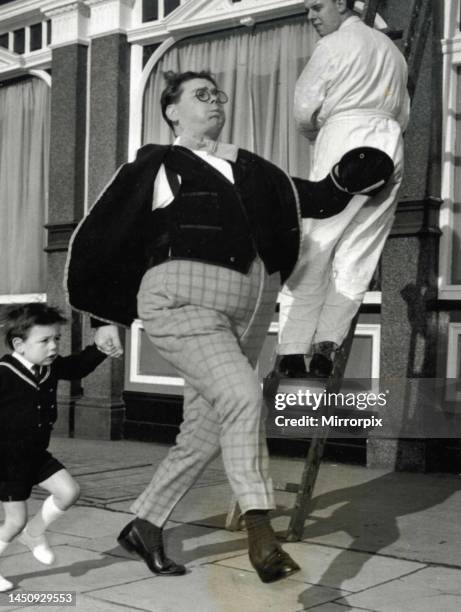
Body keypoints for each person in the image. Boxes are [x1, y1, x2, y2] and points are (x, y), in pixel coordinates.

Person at [65, 70, 394, 583]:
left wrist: (348, 181)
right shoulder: (159, 163)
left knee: (206, 428)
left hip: (250, 309)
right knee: (243, 396)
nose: (215, 101)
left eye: (218, 94)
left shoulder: (250, 166)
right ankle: (261, 535)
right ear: (172, 110)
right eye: (201, 94)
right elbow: (110, 232)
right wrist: (105, 317)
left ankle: (144, 525)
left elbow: (308, 199)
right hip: (181, 300)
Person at [278, 0, 410, 378]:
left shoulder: (333, 45)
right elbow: (405, 114)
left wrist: (318, 132)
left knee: (316, 245)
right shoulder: (393, 53)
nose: (311, 16)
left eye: (317, 6)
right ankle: (326, 347)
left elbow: (304, 108)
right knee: (359, 252)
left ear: (341, 3)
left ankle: (291, 349)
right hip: (390, 145)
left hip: (346, 137)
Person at [0, 303, 108, 592]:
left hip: (35, 454)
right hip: (7, 460)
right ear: (19, 345)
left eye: (56, 339)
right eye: (45, 340)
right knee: (14, 520)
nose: (53, 346)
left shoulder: (48, 368)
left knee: (69, 491)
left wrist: (100, 349)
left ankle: (34, 534)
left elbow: (76, 367)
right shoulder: (4, 374)